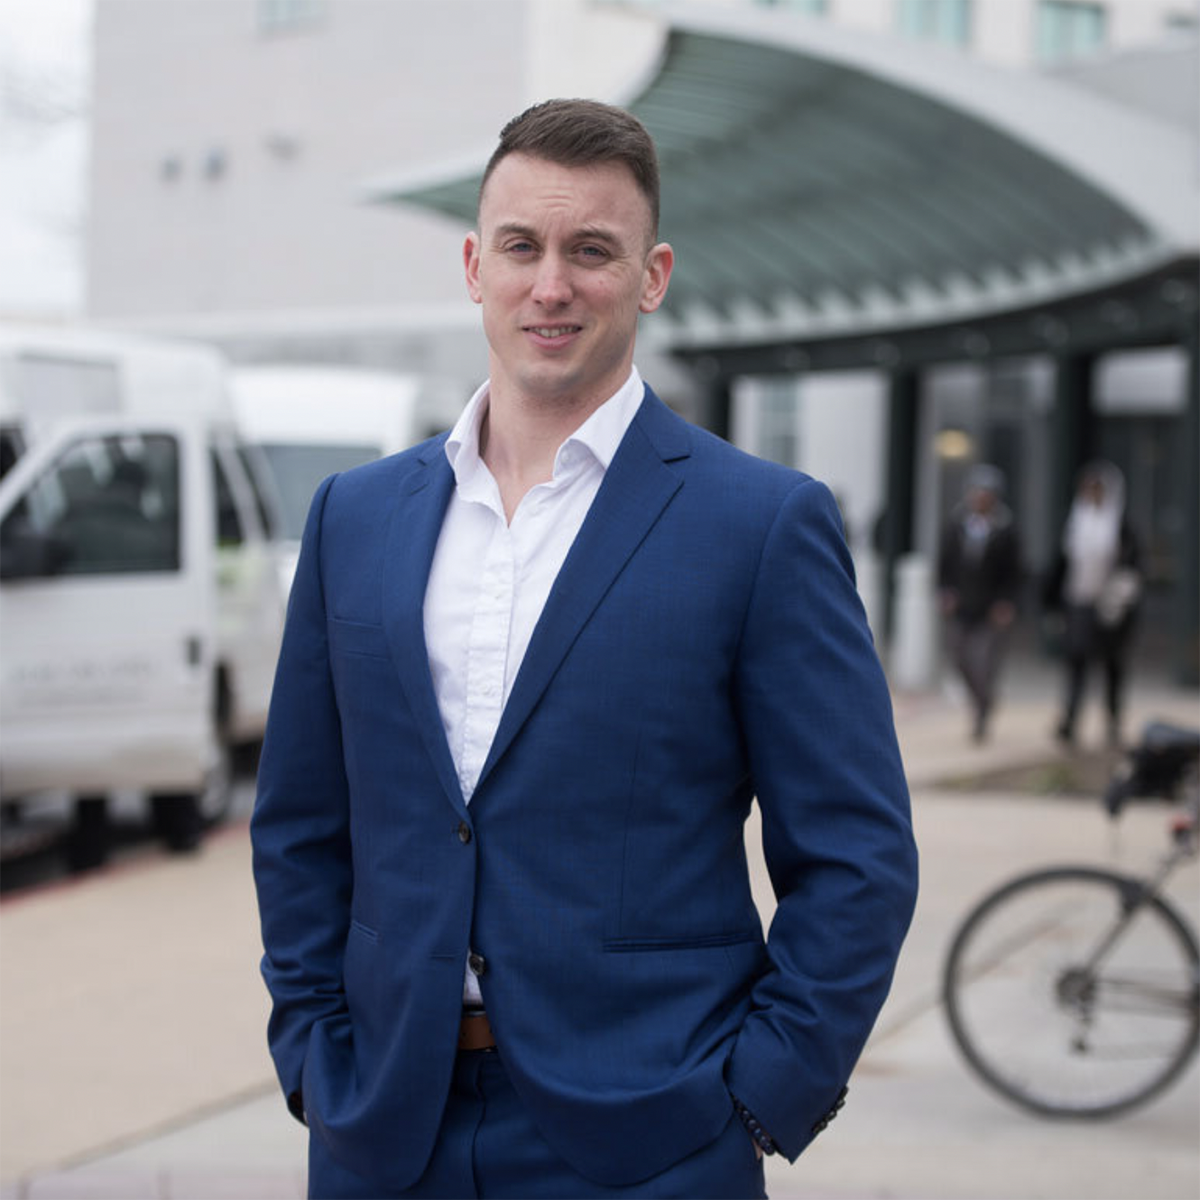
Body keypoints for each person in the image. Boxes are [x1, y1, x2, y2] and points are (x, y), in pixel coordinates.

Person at [251, 98, 918, 1200]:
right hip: (381, 1131)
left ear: (652, 276)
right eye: (521, 246)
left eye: (590, 251)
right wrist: (313, 1056)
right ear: (475, 265)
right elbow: (300, 823)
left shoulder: (761, 524)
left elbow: (857, 855)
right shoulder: (353, 517)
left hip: (652, 1142)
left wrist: (760, 1094)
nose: (550, 284)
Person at [1047, 460, 1142, 749]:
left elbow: (1133, 568)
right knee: (1076, 664)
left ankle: (1112, 721)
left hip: (1112, 611)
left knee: (1112, 668)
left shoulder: (1121, 526)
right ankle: (1070, 721)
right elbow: (1061, 566)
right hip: (1079, 605)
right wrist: (1053, 604)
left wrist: (1118, 598)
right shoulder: (1076, 522)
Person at [936, 464, 1022, 743]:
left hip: (990, 607)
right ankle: (982, 701)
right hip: (962, 605)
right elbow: (945, 563)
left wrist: (1006, 602)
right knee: (958, 656)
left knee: (983, 661)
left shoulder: (1006, 530)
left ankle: (982, 712)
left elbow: (1014, 571)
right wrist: (945, 592)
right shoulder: (956, 525)